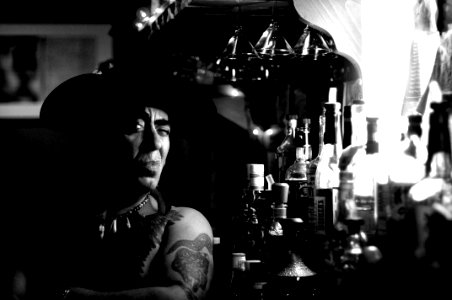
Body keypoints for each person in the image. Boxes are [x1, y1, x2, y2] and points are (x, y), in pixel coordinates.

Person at [7, 67, 214, 300]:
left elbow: (178, 298)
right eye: (135, 127)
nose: (155, 143)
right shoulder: (46, 218)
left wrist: (67, 294)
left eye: (163, 130)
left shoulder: (182, 223)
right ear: (99, 139)